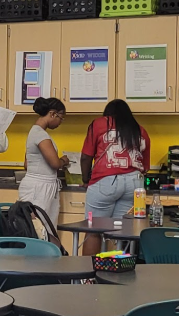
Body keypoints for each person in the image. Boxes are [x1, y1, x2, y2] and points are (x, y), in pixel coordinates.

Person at [80, 99, 150, 255]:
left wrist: (86, 180)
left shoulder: (99, 124)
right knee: (122, 232)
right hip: (134, 184)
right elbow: (145, 167)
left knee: (94, 230)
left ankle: (87, 276)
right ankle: (119, 272)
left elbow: (86, 157)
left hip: (105, 181)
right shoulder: (140, 130)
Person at [19, 97, 68, 226]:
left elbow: (26, 164)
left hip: (40, 185)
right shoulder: (41, 135)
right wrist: (63, 160)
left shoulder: (34, 132)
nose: (60, 122)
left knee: (45, 228)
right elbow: (55, 164)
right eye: (60, 118)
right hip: (39, 187)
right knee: (38, 229)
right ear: (52, 114)